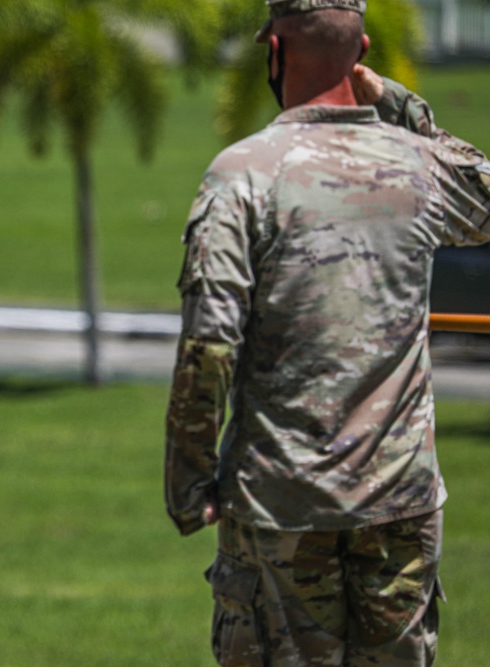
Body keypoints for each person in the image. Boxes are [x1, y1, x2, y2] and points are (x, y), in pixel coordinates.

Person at [163, 0, 490, 664]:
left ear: (275, 52)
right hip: (399, 500)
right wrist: (398, 104)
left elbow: (209, 345)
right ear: (361, 51)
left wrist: (190, 480)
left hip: (282, 501)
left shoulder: (241, 176)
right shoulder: (418, 164)